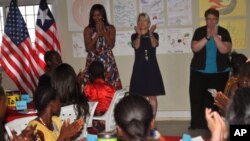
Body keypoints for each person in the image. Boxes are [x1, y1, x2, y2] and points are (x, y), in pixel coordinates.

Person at [189, 8, 232, 129]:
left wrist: (216, 37)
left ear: (217, 20)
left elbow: (225, 50)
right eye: (209, 19)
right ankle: (197, 124)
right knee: (197, 99)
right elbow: (195, 48)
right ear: (206, 20)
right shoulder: (199, 31)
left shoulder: (224, 32)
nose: (211, 22)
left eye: (214, 19)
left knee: (217, 101)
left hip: (220, 73)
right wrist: (207, 37)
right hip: (199, 72)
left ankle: (217, 125)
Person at [129, 12, 165, 121]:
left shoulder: (154, 35)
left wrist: (150, 33)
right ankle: (141, 119)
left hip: (151, 68)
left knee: (152, 96)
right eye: (139, 20)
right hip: (139, 68)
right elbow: (136, 46)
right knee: (139, 96)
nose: (141, 23)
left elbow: (154, 44)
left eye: (144, 21)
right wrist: (139, 34)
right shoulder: (134, 36)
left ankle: (152, 119)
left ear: (148, 23)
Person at [80, 4, 122, 90]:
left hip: (107, 61)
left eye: (98, 15)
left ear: (103, 15)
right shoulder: (87, 30)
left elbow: (111, 45)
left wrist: (103, 32)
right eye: (94, 15)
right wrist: (97, 35)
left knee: (110, 86)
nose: (96, 17)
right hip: (93, 61)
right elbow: (87, 48)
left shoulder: (111, 28)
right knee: (93, 87)